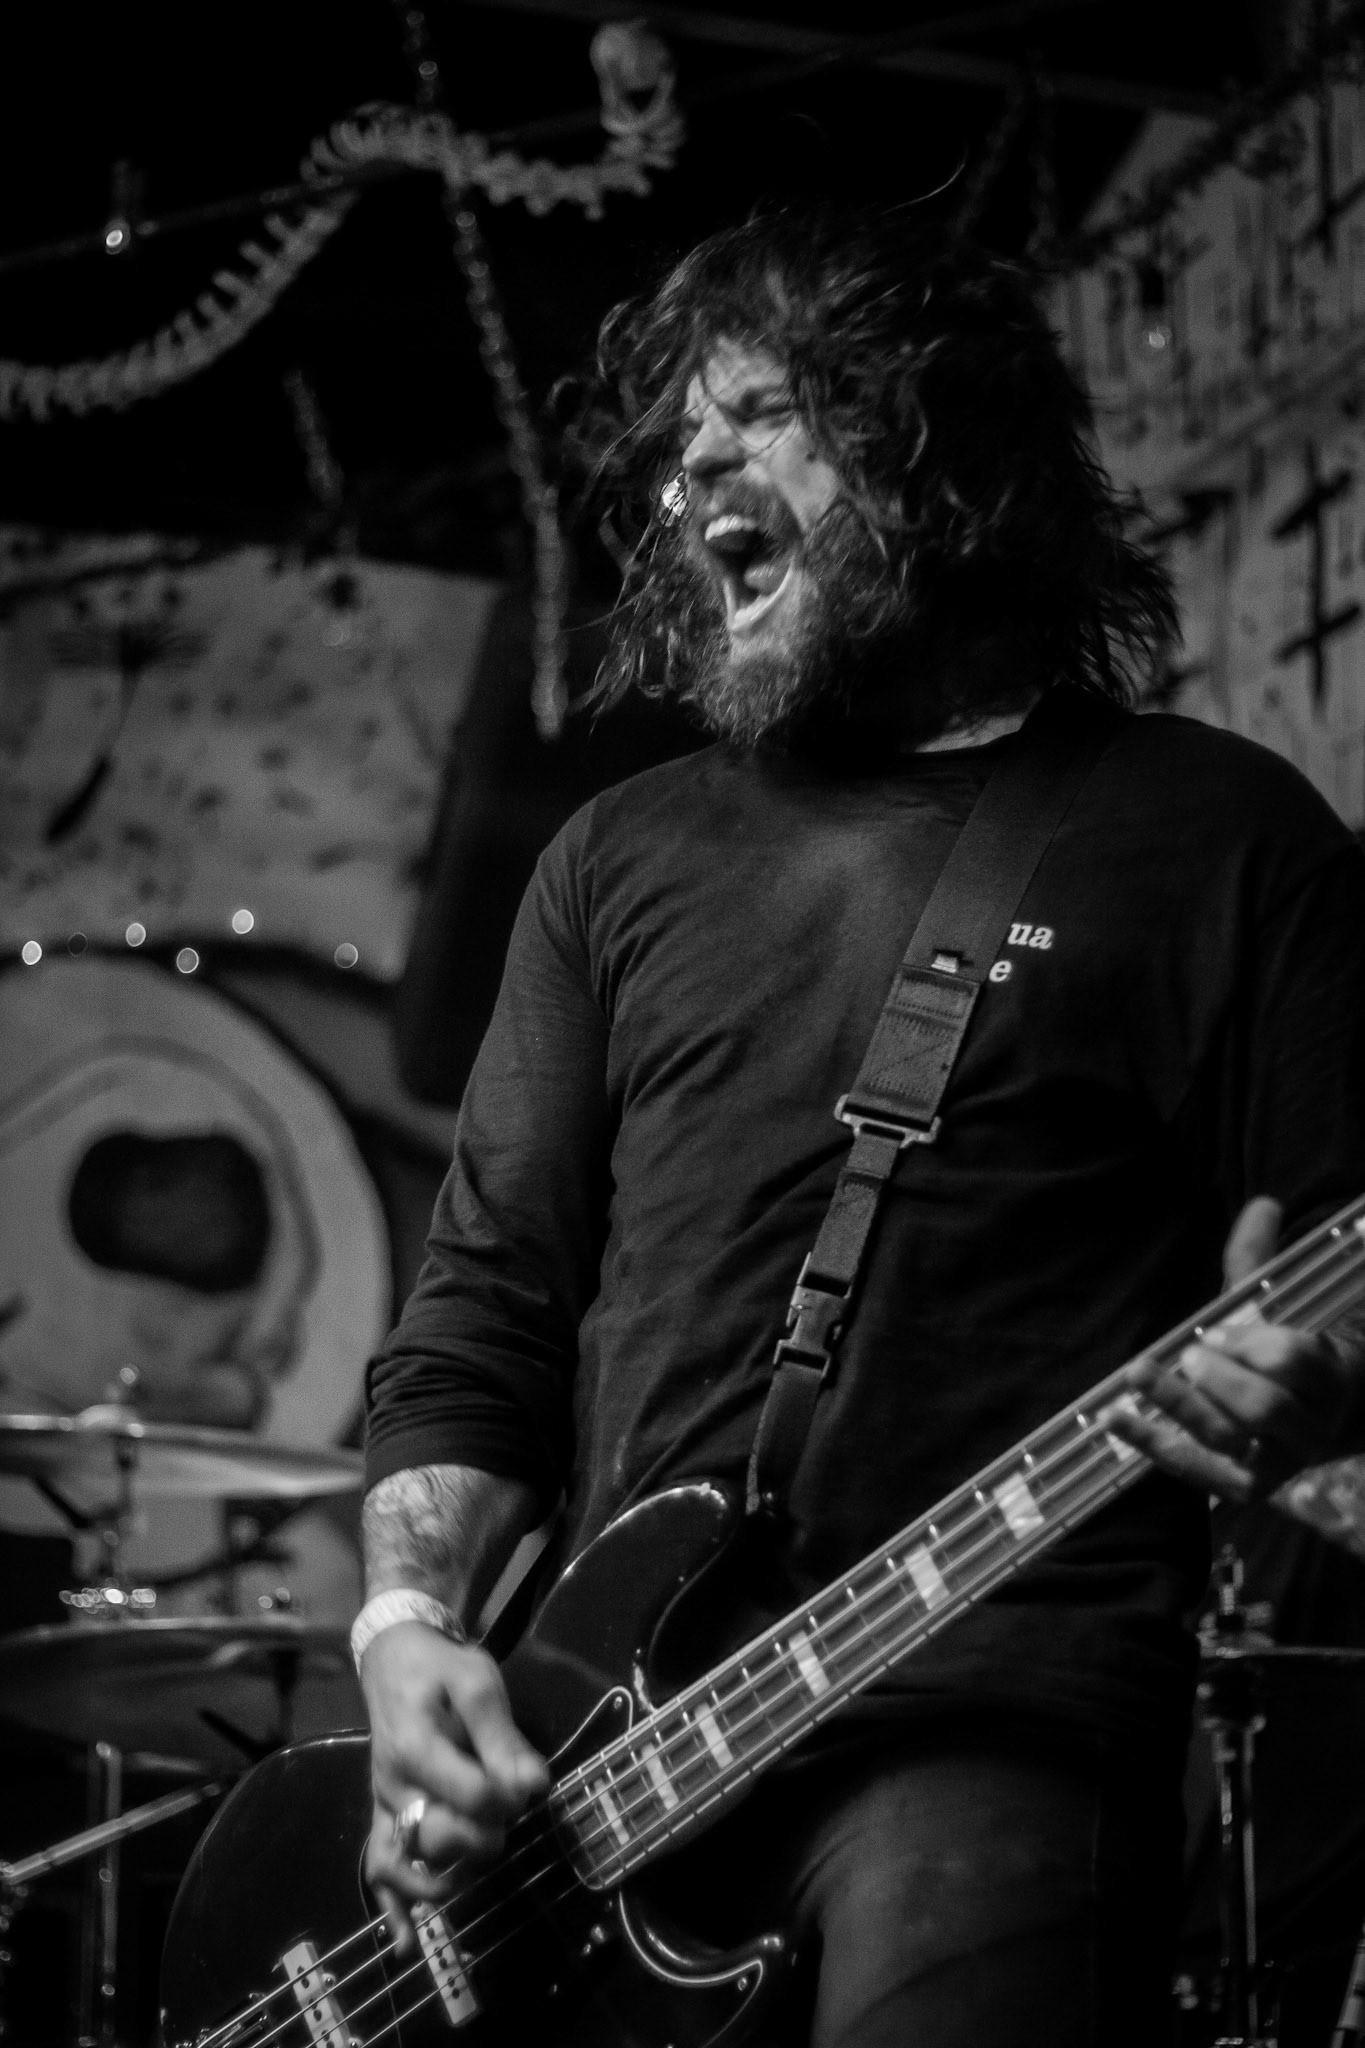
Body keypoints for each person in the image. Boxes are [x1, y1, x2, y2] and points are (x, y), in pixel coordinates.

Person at [355, 210, 1365, 2046]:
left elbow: (1351, 1275)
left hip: (994, 1711)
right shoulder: (618, 859)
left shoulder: (1218, 835)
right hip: (606, 1781)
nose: (693, 472)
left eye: (765, 412)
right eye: (682, 441)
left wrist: (1324, 1393)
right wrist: (405, 1636)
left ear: (941, 452)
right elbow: (484, 1319)